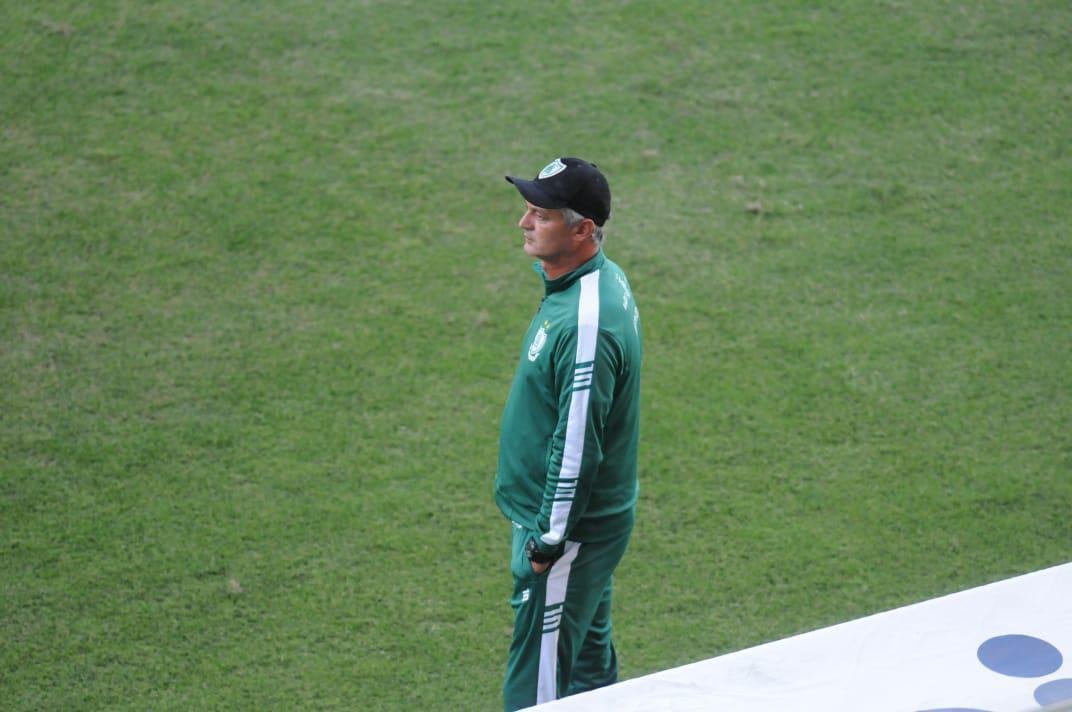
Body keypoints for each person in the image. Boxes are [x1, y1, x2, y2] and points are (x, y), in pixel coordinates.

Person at [495, 157, 643, 710]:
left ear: (582, 230)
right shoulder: (598, 280)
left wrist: (548, 542)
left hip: (567, 536)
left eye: (541, 214)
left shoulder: (585, 321)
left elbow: (577, 443)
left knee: (537, 688)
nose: (524, 223)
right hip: (586, 530)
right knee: (587, 669)